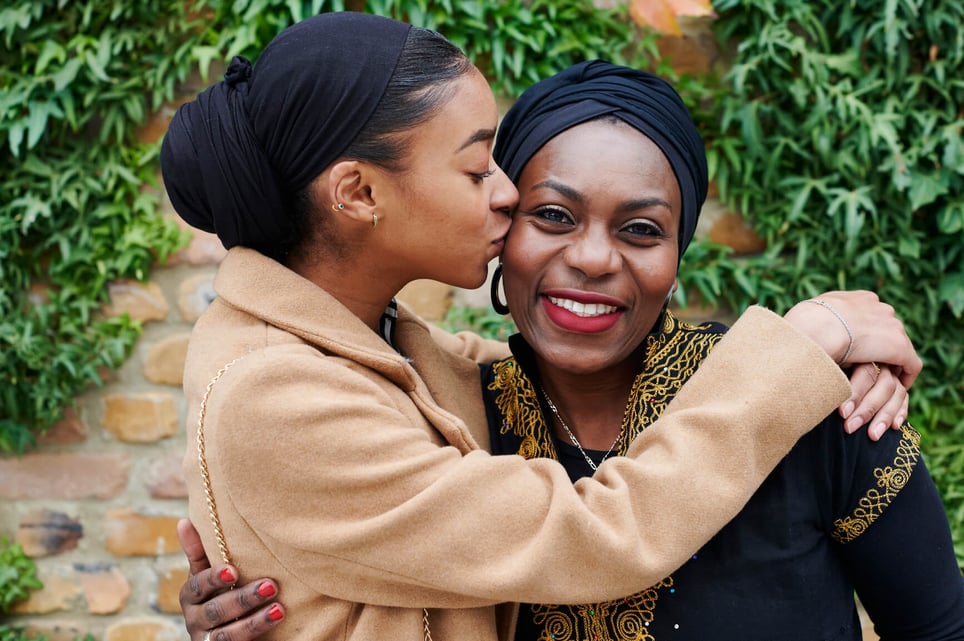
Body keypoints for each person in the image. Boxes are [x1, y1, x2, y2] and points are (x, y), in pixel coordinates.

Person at [161, 12, 925, 641]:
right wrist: (798, 347)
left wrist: (809, 361)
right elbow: (600, 532)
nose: (503, 195)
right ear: (359, 193)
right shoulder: (285, 392)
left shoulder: (392, 352)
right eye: (482, 174)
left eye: (641, 229)